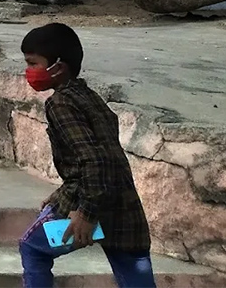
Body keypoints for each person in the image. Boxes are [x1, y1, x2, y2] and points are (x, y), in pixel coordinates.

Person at [19, 23, 155, 288]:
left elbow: (95, 160)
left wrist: (86, 214)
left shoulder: (60, 103)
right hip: (123, 206)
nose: (29, 72)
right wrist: (59, 197)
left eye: (33, 63)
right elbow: (104, 157)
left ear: (58, 67)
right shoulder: (88, 97)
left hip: (91, 202)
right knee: (135, 275)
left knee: (32, 248)